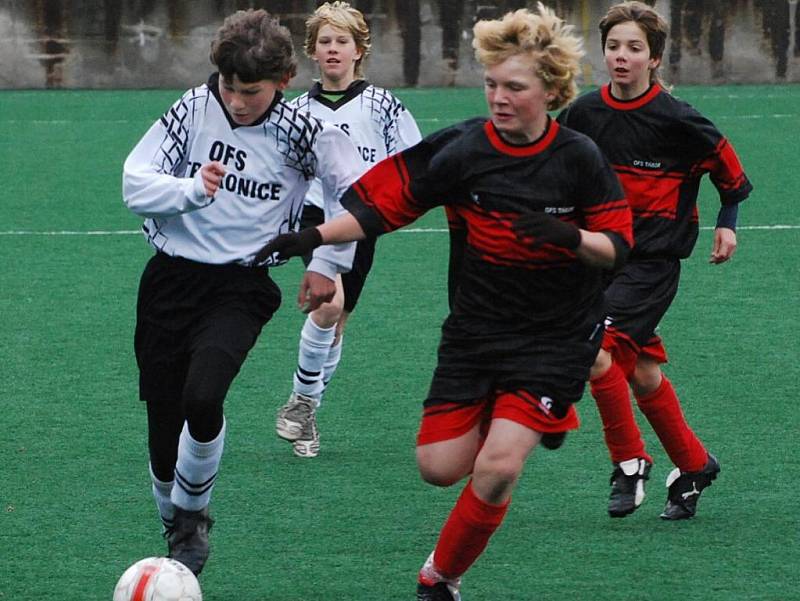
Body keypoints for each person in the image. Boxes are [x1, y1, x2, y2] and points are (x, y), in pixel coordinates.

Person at [255, 5, 633, 599]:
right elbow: (382, 204)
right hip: (476, 333)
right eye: (491, 84)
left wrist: (569, 237)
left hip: (556, 335)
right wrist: (312, 239)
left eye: (515, 87)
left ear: (553, 90)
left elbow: (617, 247)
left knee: (498, 467)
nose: (499, 98)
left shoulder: (578, 157)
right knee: (438, 468)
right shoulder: (462, 148)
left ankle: (440, 577)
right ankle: (540, 413)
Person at [122, 8, 362, 576]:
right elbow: (134, 179)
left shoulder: (306, 129)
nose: (236, 100)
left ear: (282, 82)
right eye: (229, 86)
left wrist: (326, 261)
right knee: (163, 426)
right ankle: (174, 524)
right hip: (169, 280)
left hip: (241, 286)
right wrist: (188, 191)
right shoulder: (193, 107)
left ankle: (192, 521)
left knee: (202, 398)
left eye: (250, 91)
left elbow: (352, 192)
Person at [557, 1, 753, 520]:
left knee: (594, 352)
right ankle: (694, 465)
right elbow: (555, 164)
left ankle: (628, 462)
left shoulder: (679, 119)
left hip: (651, 265)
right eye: (613, 47)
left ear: (655, 58)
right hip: (597, 262)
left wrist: (727, 224)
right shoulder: (584, 113)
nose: (621, 57)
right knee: (642, 373)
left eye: (634, 48)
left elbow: (730, 175)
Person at [274, 1, 422, 458]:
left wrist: (399, 202)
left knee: (338, 323)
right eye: (325, 42)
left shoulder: (382, 105)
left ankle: (308, 408)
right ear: (312, 52)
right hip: (317, 219)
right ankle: (301, 400)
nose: (333, 50)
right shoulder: (296, 110)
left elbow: (412, 159)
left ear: (359, 50)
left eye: (342, 41)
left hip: (363, 219)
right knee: (328, 302)